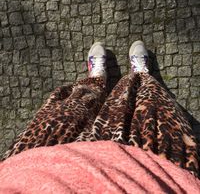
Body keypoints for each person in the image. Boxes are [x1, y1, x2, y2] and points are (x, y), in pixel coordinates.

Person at [2, 41, 199, 178]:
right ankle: (140, 79)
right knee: (153, 115)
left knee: (66, 114)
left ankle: (97, 81)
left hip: (35, 173)